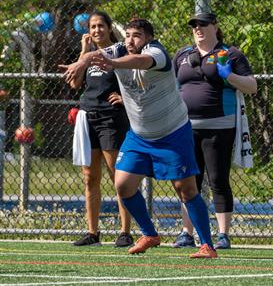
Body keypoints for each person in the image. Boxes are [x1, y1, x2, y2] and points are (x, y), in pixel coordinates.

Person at [60, 18, 217, 258]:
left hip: (172, 132)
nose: (130, 40)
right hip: (140, 135)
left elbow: (140, 61)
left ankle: (206, 245)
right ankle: (150, 234)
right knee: (123, 184)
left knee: (185, 189)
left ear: (148, 39)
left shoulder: (156, 52)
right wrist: (81, 62)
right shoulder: (118, 50)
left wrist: (111, 63)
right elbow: (94, 55)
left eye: (137, 36)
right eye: (128, 35)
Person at [172, 12, 257, 249]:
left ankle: (222, 235)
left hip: (219, 125)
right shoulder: (182, 55)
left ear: (215, 26)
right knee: (188, 180)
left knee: (218, 179)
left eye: (203, 24)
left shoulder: (229, 53)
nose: (198, 29)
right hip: (185, 127)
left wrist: (228, 75)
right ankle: (187, 233)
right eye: (194, 25)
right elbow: (171, 85)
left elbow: (252, 86)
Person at [69, 11, 132, 247]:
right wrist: (83, 53)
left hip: (111, 119)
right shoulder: (87, 55)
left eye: (100, 26)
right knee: (89, 177)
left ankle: (125, 232)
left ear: (109, 28)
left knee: (118, 177)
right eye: (92, 27)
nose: (96, 31)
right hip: (87, 118)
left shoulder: (119, 51)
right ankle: (93, 233)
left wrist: (125, 98)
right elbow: (74, 83)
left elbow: (136, 79)